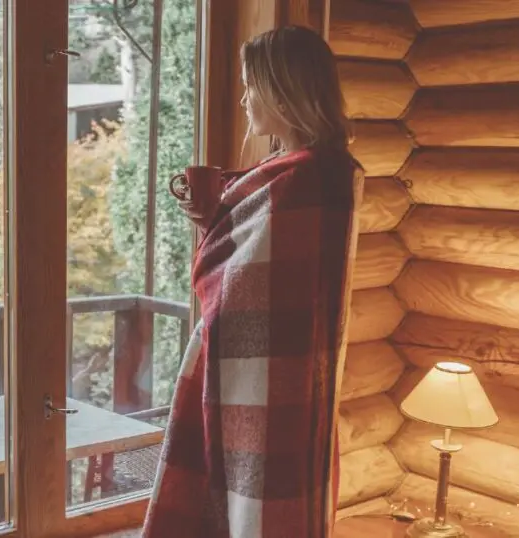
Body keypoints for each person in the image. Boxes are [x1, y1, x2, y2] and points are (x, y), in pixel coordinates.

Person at [143, 25, 362, 538]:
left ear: (283, 91)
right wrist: (212, 223)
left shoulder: (304, 177)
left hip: (267, 367)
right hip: (283, 363)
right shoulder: (310, 170)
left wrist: (217, 230)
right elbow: (255, 257)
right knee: (249, 494)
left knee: (258, 496)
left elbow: (253, 274)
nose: (243, 99)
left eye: (250, 86)